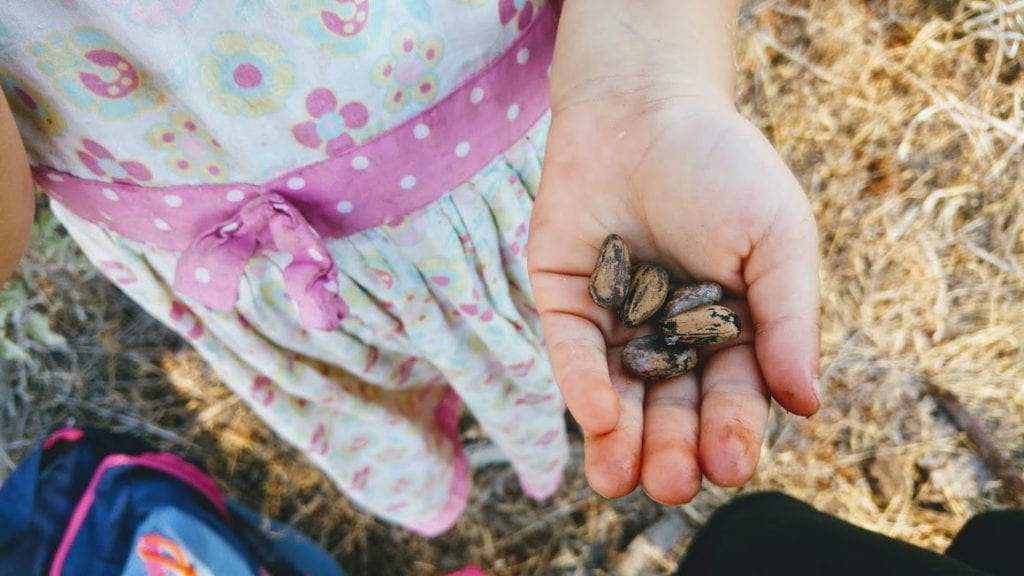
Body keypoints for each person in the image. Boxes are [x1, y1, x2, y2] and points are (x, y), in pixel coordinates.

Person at [0, 0, 820, 535]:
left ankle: (525, 421)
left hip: (534, 152)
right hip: (213, 233)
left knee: (553, 349)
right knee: (386, 384)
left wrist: (654, 83)